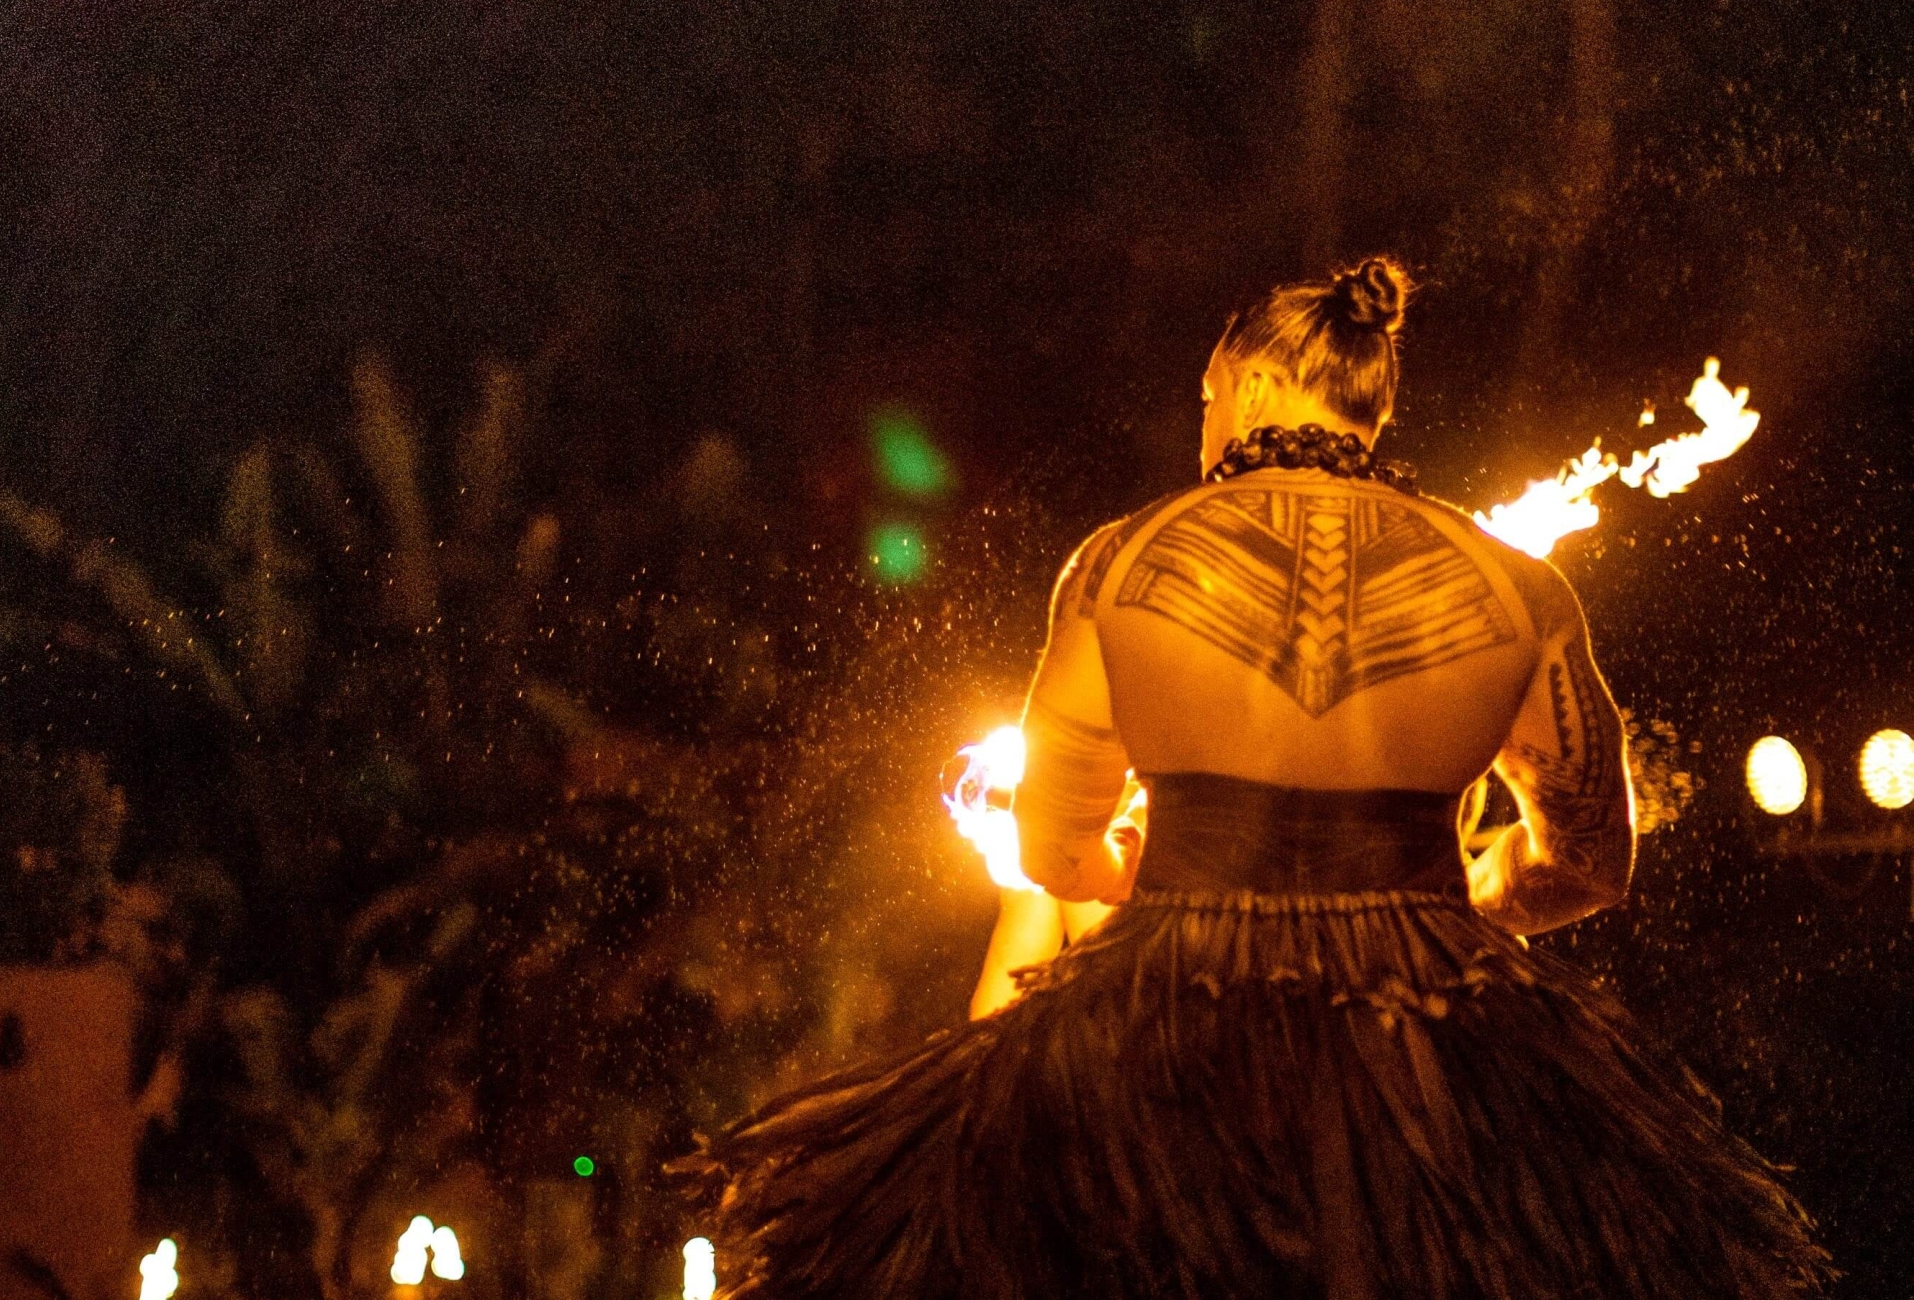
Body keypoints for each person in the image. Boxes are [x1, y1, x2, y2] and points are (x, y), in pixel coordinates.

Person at [675, 258, 1830, 1298]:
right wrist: (1453, 917)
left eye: (1206, 399)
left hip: (1165, 1020)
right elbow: (1585, 859)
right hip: (1431, 1044)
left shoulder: (1121, 562)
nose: (1204, 424)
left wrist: (1136, 858)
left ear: (1253, 389)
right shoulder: (1517, 586)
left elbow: (1053, 852)